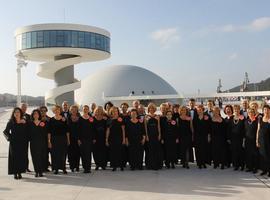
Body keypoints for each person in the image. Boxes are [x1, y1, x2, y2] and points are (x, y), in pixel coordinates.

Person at [3, 107, 28, 179]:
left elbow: (27, 131)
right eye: (15, 112)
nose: (17, 113)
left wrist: (24, 122)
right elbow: (5, 132)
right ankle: (15, 173)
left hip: (22, 143)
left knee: (21, 158)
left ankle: (20, 172)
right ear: (13, 114)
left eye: (18, 112)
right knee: (14, 158)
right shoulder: (11, 122)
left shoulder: (24, 121)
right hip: (14, 143)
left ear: (21, 113)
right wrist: (10, 138)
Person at [48, 105, 70, 175]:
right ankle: (56, 169)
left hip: (63, 138)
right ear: (53, 111)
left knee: (63, 154)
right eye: (55, 110)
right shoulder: (51, 120)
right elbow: (49, 132)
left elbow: (67, 131)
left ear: (60, 111)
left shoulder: (64, 119)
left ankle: (63, 168)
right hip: (54, 139)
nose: (57, 111)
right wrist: (49, 141)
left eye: (58, 109)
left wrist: (68, 140)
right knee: (55, 154)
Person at [29, 109, 48, 177]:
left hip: (42, 142)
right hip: (33, 143)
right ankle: (36, 171)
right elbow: (28, 133)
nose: (35, 115)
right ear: (32, 115)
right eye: (34, 114)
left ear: (39, 115)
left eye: (37, 114)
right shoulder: (30, 123)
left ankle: (41, 171)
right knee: (35, 157)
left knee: (41, 157)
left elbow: (46, 132)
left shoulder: (42, 122)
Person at [106, 106, 126, 171]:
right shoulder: (109, 120)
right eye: (113, 111)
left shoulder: (120, 119)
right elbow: (108, 130)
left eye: (116, 111)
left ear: (118, 111)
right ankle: (114, 166)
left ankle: (121, 166)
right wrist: (106, 139)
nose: (114, 112)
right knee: (113, 152)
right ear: (111, 112)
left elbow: (123, 129)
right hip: (112, 138)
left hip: (119, 138)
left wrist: (123, 139)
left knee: (120, 152)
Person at [78, 105, 96, 173]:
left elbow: (93, 129)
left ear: (88, 110)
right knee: (83, 154)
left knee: (88, 154)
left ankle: (88, 168)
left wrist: (94, 138)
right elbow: (78, 130)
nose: (85, 110)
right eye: (84, 109)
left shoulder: (91, 119)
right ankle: (85, 167)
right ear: (83, 110)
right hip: (82, 139)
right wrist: (79, 139)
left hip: (89, 139)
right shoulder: (80, 119)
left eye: (87, 109)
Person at [227, 105, 245, 171]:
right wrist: (228, 138)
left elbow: (244, 129)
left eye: (237, 109)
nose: (236, 111)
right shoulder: (231, 118)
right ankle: (236, 165)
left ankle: (242, 165)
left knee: (241, 152)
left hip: (240, 138)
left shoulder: (242, 118)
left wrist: (244, 138)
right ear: (233, 111)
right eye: (235, 110)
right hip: (233, 138)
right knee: (234, 152)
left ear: (239, 110)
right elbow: (228, 129)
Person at [144, 103, 162, 170]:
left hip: (156, 135)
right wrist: (146, 135)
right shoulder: (146, 116)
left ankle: (156, 165)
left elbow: (158, 126)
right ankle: (149, 165)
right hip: (149, 135)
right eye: (150, 108)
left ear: (154, 109)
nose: (151, 109)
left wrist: (159, 134)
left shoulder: (157, 116)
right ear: (148, 109)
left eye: (152, 108)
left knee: (156, 150)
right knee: (149, 150)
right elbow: (145, 127)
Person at [193, 104, 211, 169]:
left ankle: (203, 163)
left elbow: (209, 127)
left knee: (204, 149)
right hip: (197, 136)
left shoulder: (207, 117)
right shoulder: (195, 118)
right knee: (198, 150)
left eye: (200, 110)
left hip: (204, 136)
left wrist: (209, 136)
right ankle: (199, 163)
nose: (199, 111)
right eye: (198, 110)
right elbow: (193, 128)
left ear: (203, 110)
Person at [256, 105, 270, 177]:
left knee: (268, 155)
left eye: (267, 109)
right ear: (263, 110)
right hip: (261, 140)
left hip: (268, 140)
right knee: (262, 155)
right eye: (265, 109)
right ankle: (264, 170)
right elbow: (258, 130)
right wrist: (257, 140)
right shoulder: (260, 119)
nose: (266, 111)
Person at [244, 108, 259, 173]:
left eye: (252, 112)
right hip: (248, 140)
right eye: (249, 112)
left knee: (255, 154)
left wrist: (257, 140)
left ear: (254, 113)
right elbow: (244, 131)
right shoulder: (246, 121)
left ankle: (255, 167)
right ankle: (249, 167)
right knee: (248, 154)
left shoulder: (257, 121)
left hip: (254, 140)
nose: (251, 113)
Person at [93, 106, 108, 170]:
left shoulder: (105, 118)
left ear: (102, 111)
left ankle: (103, 164)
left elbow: (107, 128)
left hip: (103, 137)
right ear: (95, 111)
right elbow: (91, 129)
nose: (98, 111)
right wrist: (93, 138)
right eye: (97, 110)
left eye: (100, 110)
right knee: (96, 151)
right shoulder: (92, 119)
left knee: (103, 151)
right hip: (95, 138)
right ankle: (97, 164)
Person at [67, 105, 81, 172]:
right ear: (70, 110)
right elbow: (67, 130)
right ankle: (72, 166)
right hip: (70, 138)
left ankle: (77, 166)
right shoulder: (68, 118)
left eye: (75, 109)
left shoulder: (80, 118)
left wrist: (79, 139)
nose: (74, 110)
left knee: (77, 153)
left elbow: (82, 129)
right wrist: (68, 139)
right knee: (71, 153)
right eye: (72, 109)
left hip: (78, 138)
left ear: (77, 110)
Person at [39, 105, 51, 172]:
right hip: (39, 139)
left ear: (46, 111)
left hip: (47, 138)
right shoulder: (37, 119)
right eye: (41, 111)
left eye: (44, 111)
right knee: (40, 153)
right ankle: (40, 167)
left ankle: (45, 167)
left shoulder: (49, 119)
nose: (43, 112)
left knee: (46, 153)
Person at [21, 103, 31, 172]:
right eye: (23, 107)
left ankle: (26, 167)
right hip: (18, 138)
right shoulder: (17, 115)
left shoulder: (28, 116)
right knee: (19, 153)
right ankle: (20, 167)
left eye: (25, 107)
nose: (24, 108)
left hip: (26, 138)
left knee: (25, 153)